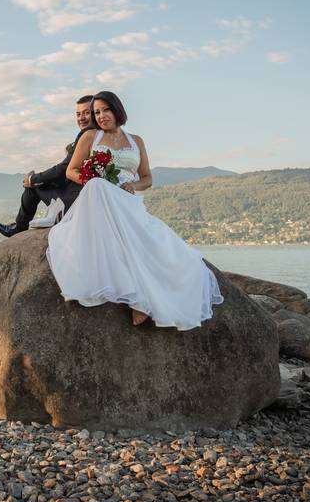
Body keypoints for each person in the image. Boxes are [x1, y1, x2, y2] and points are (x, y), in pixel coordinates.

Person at [46, 90, 223, 329]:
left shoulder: (136, 141)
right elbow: (71, 170)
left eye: (105, 110)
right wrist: (91, 178)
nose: (100, 116)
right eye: (96, 112)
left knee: (165, 250)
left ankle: (144, 296)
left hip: (128, 200)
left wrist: (134, 185)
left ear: (117, 110)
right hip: (98, 197)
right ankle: (136, 297)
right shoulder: (90, 138)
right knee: (99, 186)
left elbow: (147, 178)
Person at [0, 95, 95, 237]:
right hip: (80, 194)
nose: (81, 118)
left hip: (74, 200)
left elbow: (64, 168)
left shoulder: (86, 136)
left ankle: (19, 228)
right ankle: (19, 225)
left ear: (95, 113)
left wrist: (34, 179)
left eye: (86, 113)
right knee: (38, 183)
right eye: (78, 114)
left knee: (32, 188)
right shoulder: (101, 136)